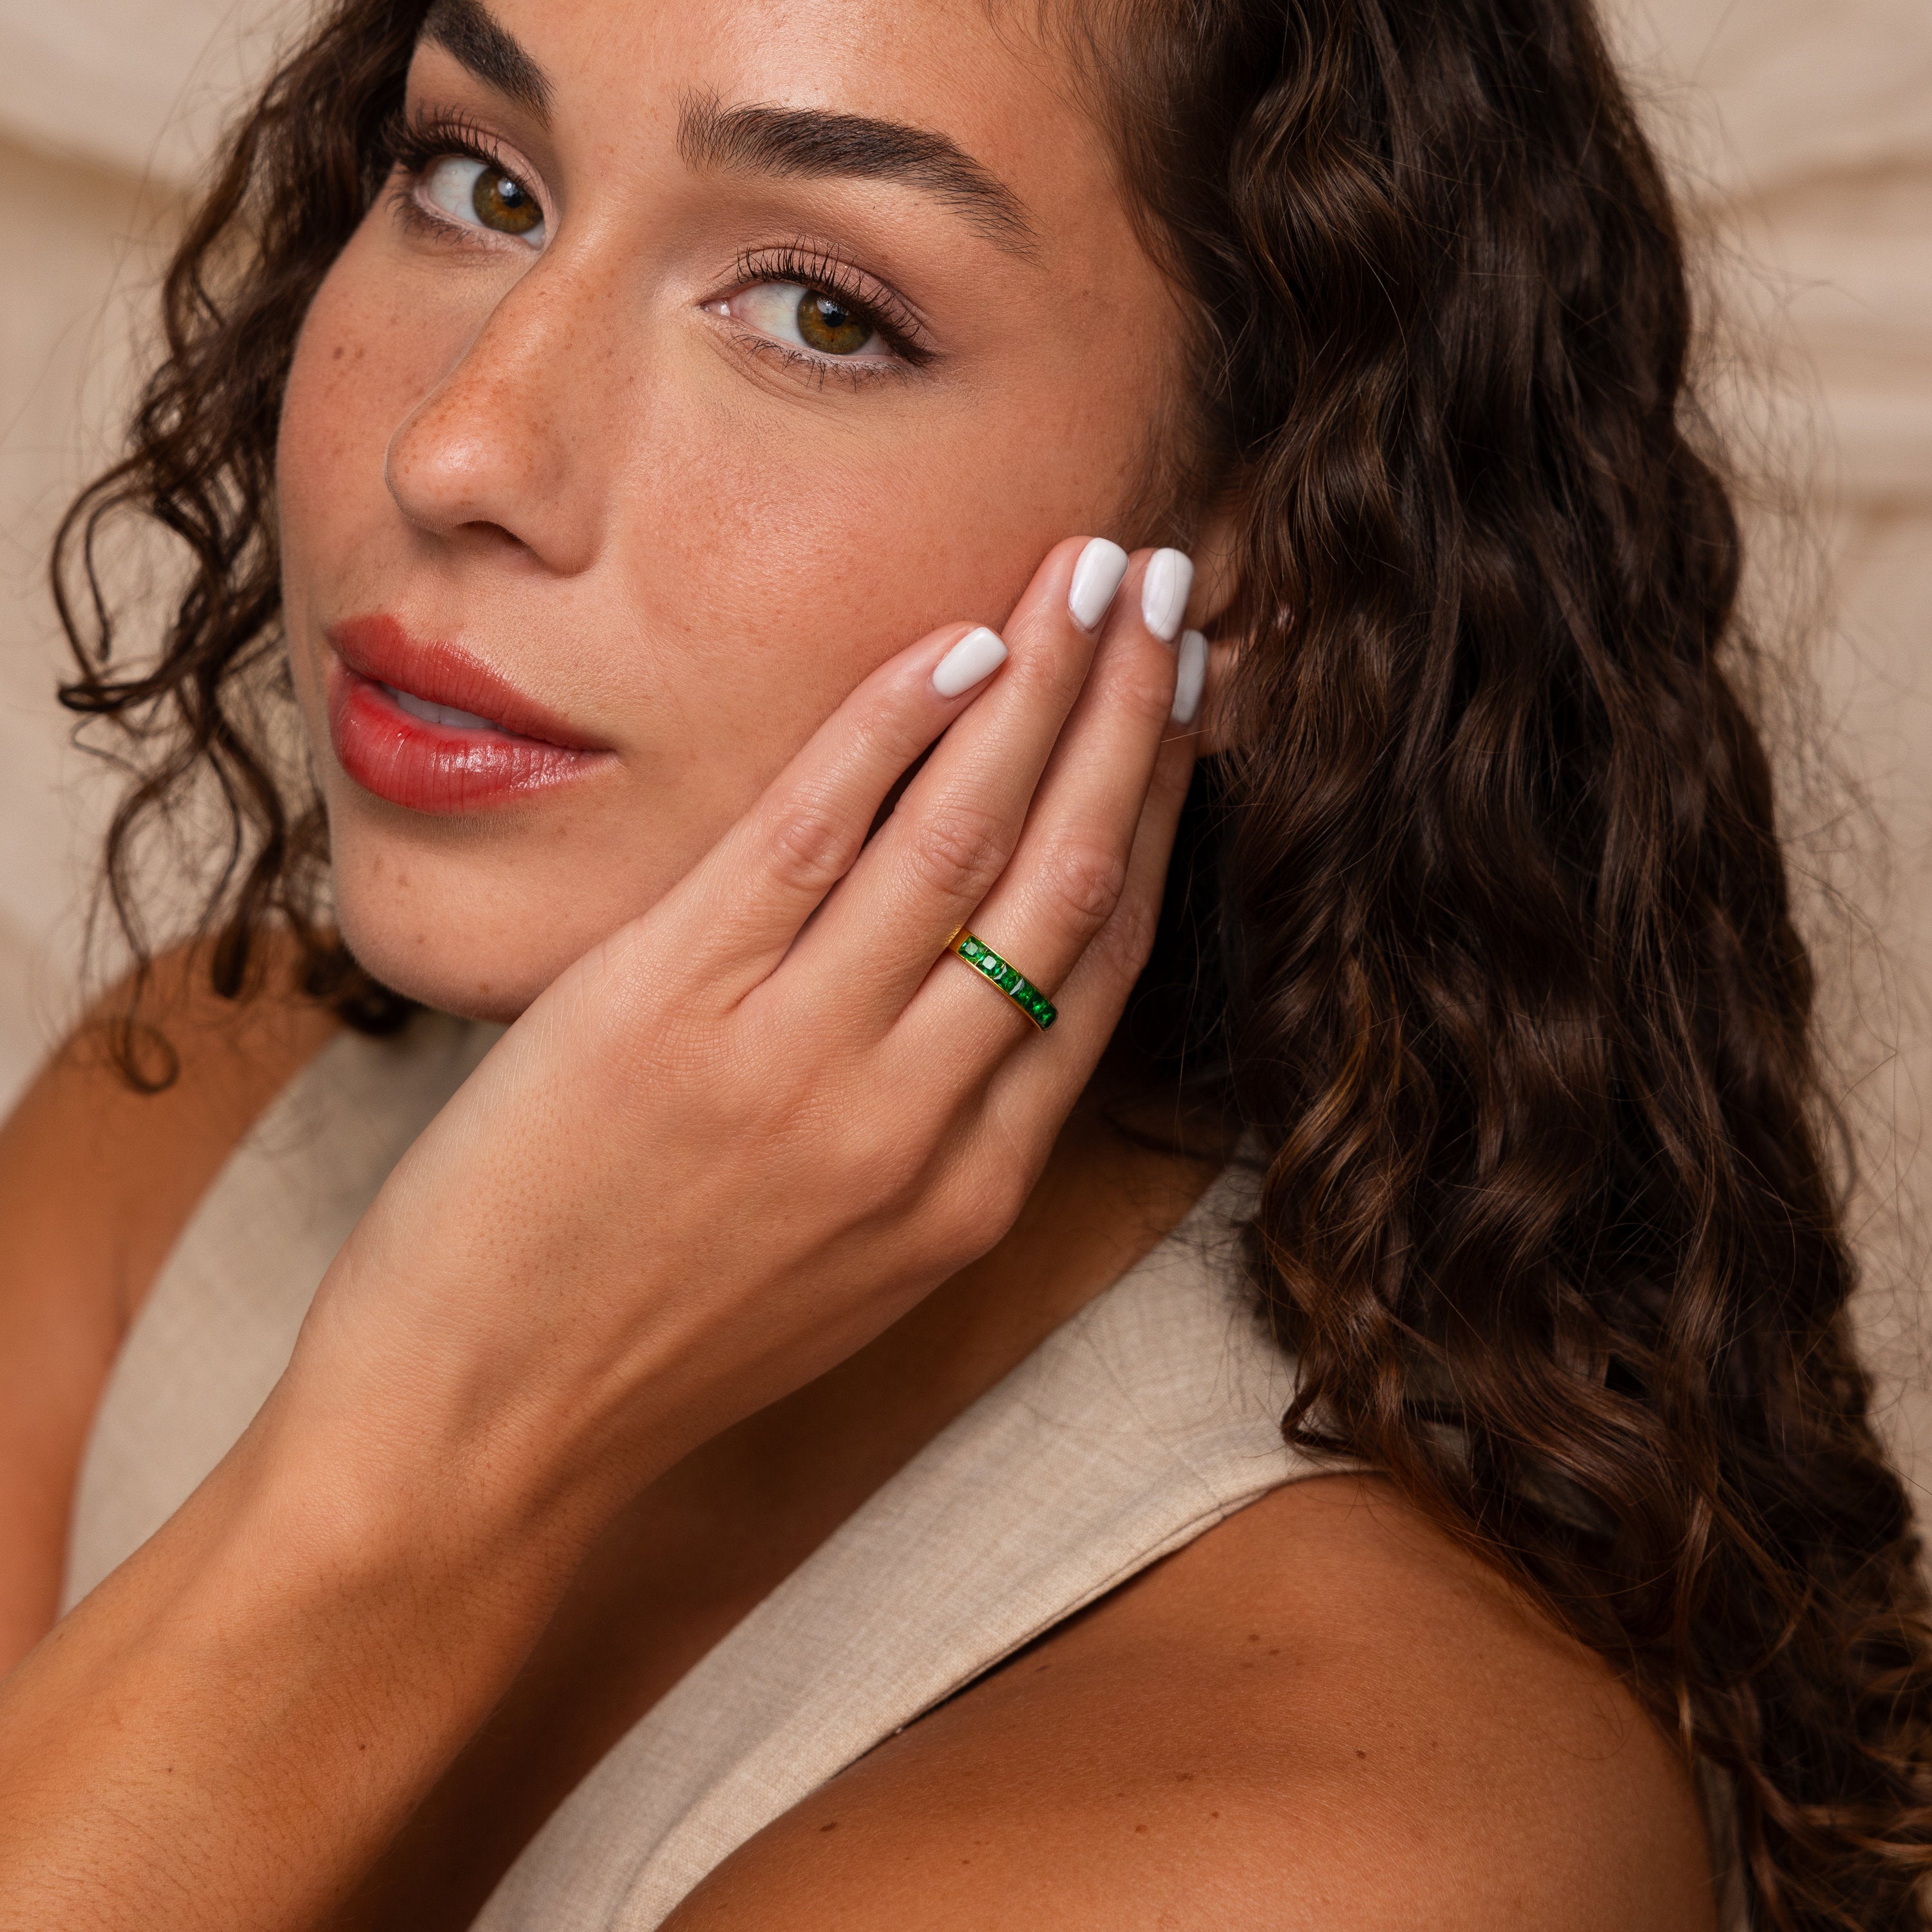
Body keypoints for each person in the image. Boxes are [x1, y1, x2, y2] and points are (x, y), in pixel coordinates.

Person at [1, 0, 1926, 1923]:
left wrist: (428, 1455)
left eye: (820, 311)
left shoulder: (1341, 1828)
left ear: (1263, 554)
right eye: (475, 181)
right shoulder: (183, 1120)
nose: (461, 441)